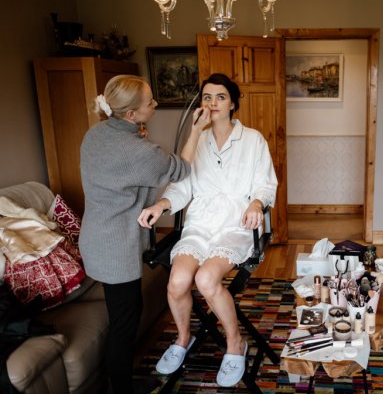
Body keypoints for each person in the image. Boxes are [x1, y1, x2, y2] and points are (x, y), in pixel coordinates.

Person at [137, 73, 277, 387]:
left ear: (233, 104)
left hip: (235, 225)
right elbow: (181, 187)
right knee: (178, 281)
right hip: (199, 224)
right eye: (207, 97)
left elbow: (265, 184)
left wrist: (256, 204)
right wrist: (162, 205)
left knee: (206, 278)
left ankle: (234, 343)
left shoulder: (253, 140)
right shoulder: (195, 141)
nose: (213, 103)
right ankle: (183, 339)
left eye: (221, 97)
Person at [79, 74, 207, 394]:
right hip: (115, 247)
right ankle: (121, 389)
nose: (156, 104)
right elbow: (182, 167)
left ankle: (117, 381)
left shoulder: (95, 135)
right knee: (125, 323)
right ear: (131, 114)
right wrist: (196, 131)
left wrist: (138, 133)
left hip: (94, 237)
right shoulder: (138, 151)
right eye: (150, 102)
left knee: (121, 313)